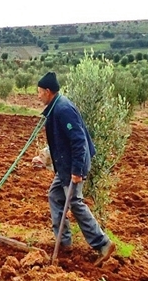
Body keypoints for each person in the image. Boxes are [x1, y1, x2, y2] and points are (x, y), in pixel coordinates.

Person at [36, 71, 115, 267]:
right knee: (55, 196)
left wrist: (77, 171)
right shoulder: (55, 108)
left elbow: (78, 141)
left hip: (73, 166)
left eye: (39, 92)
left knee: (75, 202)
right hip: (64, 166)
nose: (38, 96)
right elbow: (59, 143)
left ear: (48, 91)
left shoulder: (63, 109)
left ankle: (103, 243)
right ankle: (64, 243)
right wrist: (44, 159)